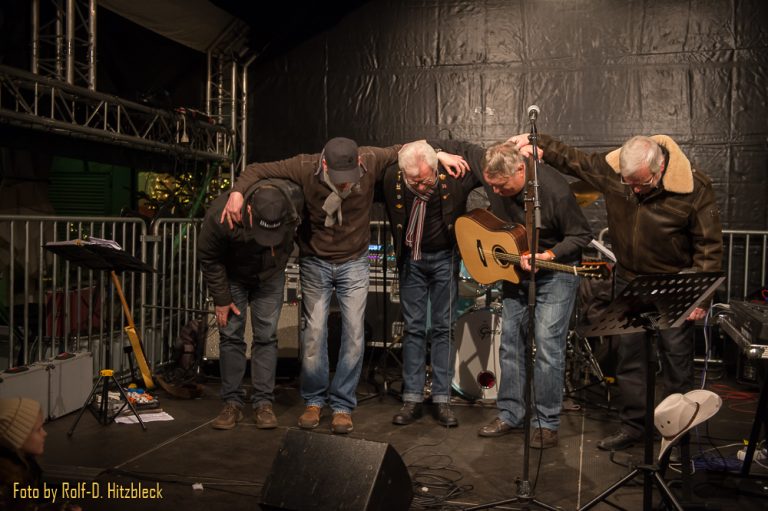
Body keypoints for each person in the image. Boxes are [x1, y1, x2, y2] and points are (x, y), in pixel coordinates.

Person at [221, 137, 467, 434]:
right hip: (316, 261)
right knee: (314, 334)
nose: (346, 185)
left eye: (350, 179)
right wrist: (237, 192)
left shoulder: (370, 159)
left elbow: (408, 149)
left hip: (354, 261)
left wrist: (439, 155)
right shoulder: (303, 166)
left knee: (353, 333)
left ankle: (342, 405)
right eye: (340, 180)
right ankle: (314, 400)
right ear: (323, 164)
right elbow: (258, 169)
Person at [508, 133, 723, 450]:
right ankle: (634, 426)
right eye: (629, 183)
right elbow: (575, 160)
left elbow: (709, 245)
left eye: (641, 183)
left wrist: (700, 298)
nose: (634, 190)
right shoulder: (613, 173)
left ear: (660, 167)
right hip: (631, 280)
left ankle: (679, 438)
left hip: (672, 283)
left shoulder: (695, 187)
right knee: (630, 358)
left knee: (677, 362)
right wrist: (538, 142)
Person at [476, 141, 592, 449]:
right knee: (510, 344)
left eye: (502, 187)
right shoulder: (496, 181)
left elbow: (581, 235)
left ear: (520, 169)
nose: (496, 193)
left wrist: (550, 254)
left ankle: (546, 423)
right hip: (516, 273)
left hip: (555, 273)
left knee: (548, 348)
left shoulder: (554, 190)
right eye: (492, 187)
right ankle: (511, 413)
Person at [381, 140, 485, 427]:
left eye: (426, 178)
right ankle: (412, 397)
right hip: (410, 261)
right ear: (403, 173)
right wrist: (435, 153)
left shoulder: (453, 176)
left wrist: (440, 153)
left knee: (443, 328)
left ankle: (441, 399)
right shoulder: (392, 178)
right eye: (415, 180)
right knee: (413, 329)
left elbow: (481, 159)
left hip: (443, 258)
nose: (422, 185)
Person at [198, 181, 303, 430]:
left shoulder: (291, 205)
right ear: (249, 211)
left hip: (270, 276)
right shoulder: (220, 215)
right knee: (231, 335)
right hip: (233, 277)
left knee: (266, 336)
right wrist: (222, 299)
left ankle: (263, 402)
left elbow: (291, 239)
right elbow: (209, 257)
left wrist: (279, 264)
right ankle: (232, 402)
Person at [0, 397, 81, 511]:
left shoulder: (24, 465)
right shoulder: (6, 486)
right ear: (17, 436)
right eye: (38, 430)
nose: (45, 433)